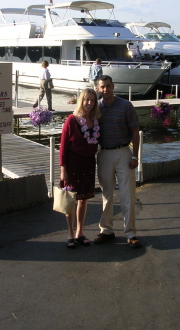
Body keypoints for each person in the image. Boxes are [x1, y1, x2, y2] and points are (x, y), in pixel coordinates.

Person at [94, 75, 142, 248]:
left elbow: (135, 131)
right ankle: (106, 230)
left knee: (127, 194)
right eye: (102, 87)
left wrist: (135, 156)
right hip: (104, 152)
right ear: (98, 89)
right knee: (106, 194)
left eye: (108, 86)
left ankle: (130, 233)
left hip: (123, 152)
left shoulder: (125, 106)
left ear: (113, 87)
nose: (105, 89)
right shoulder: (96, 108)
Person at [59, 88, 101, 248]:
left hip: (88, 163)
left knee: (83, 199)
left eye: (92, 100)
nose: (89, 103)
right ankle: (70, 233)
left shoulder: (96, 120)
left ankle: (80, 232)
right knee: (70, 199)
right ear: (81, 101)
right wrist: (63, 168)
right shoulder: (71, 120)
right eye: (86, 99)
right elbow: (63, 146)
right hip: (72, 163)